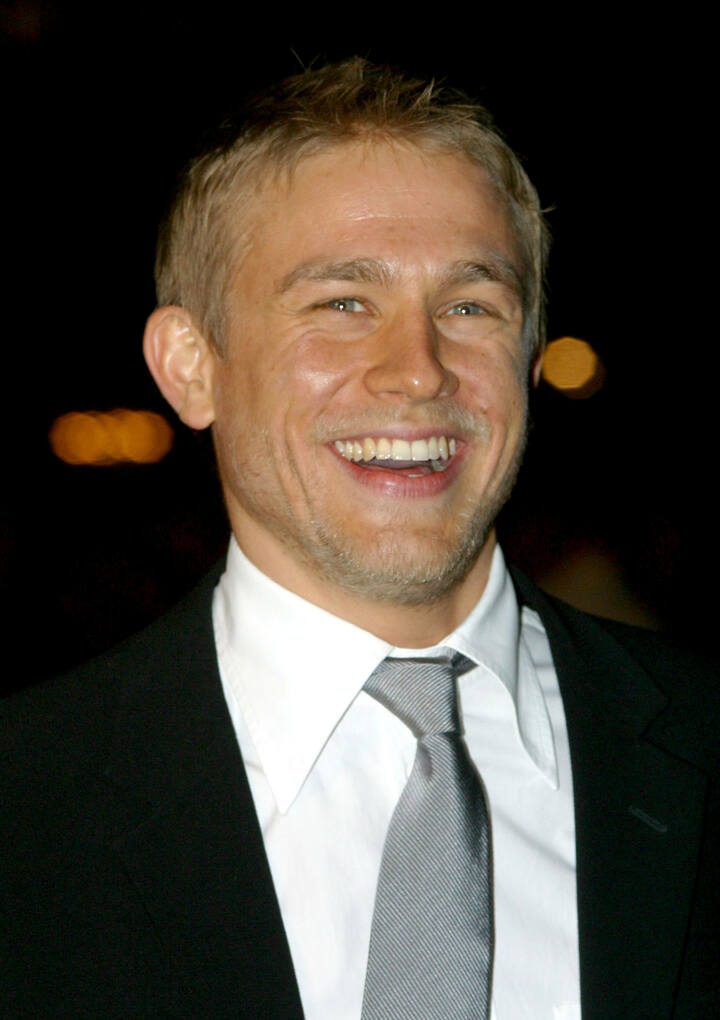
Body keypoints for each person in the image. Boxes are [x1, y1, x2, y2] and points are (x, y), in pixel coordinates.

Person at [2, 58, 718, 1019]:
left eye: (470, 306)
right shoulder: (26, 802)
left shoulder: (704, 741)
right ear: (190, 366)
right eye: (342, 304)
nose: (419, 370)